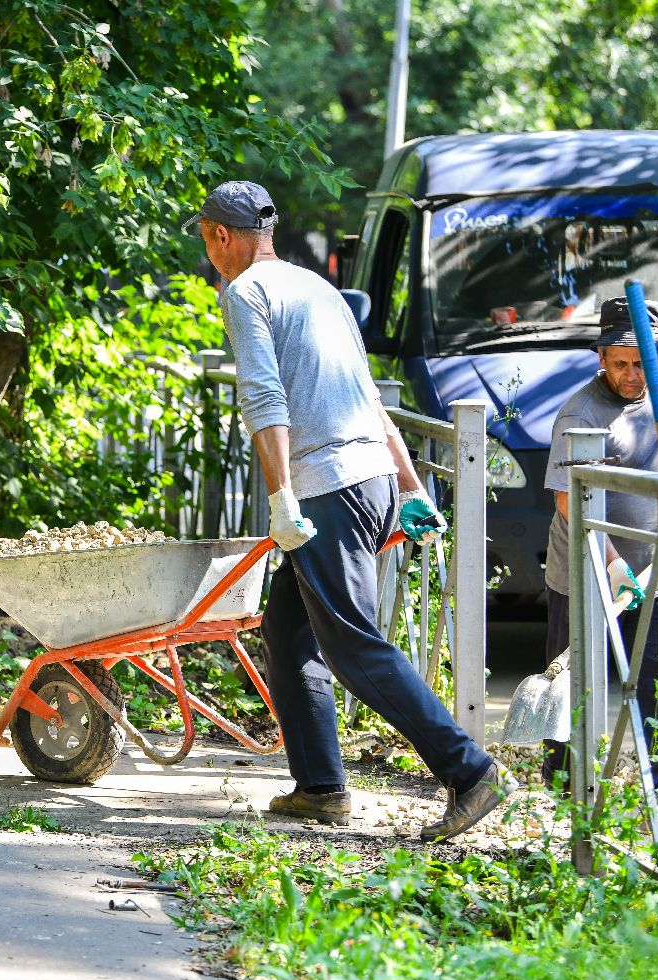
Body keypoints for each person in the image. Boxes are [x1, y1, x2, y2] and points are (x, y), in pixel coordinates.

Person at [185, 180, 509, 841]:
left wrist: (281, 497)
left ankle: (471, 771)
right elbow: (368, 397)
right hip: (370, 479)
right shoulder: (320, 290)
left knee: (354, 647)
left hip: (327, 488)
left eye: (207, 241)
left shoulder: (246, 292)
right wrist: (409, 486)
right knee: (288, 632)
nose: (209, 254)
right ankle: (320, 787)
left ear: (221, 236)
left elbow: (265, 400)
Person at [540, 296, 658, 789]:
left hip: (656, 569)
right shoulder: (580, 414)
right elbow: (568, 500)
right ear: (601, 357)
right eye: (620, 364)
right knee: (572, 686)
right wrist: (612, 563)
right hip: (587, 574)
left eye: (642, 364)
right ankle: (567, 787)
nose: (632, 375)